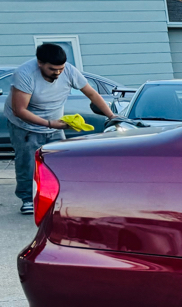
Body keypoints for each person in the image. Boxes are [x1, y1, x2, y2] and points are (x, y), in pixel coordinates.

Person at [6, 43, 113, 215]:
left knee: (59, 160)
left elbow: (92, 93)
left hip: (54, 122)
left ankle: (59, 195)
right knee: (28, 162)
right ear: (40, 63)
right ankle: (27, 199)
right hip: (25, 125)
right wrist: (50, 124)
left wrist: (111, 116)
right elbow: (20, 110)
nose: (57, 73)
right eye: (52, 69)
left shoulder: (69, 71)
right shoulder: (25, 74)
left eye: (60, 69)